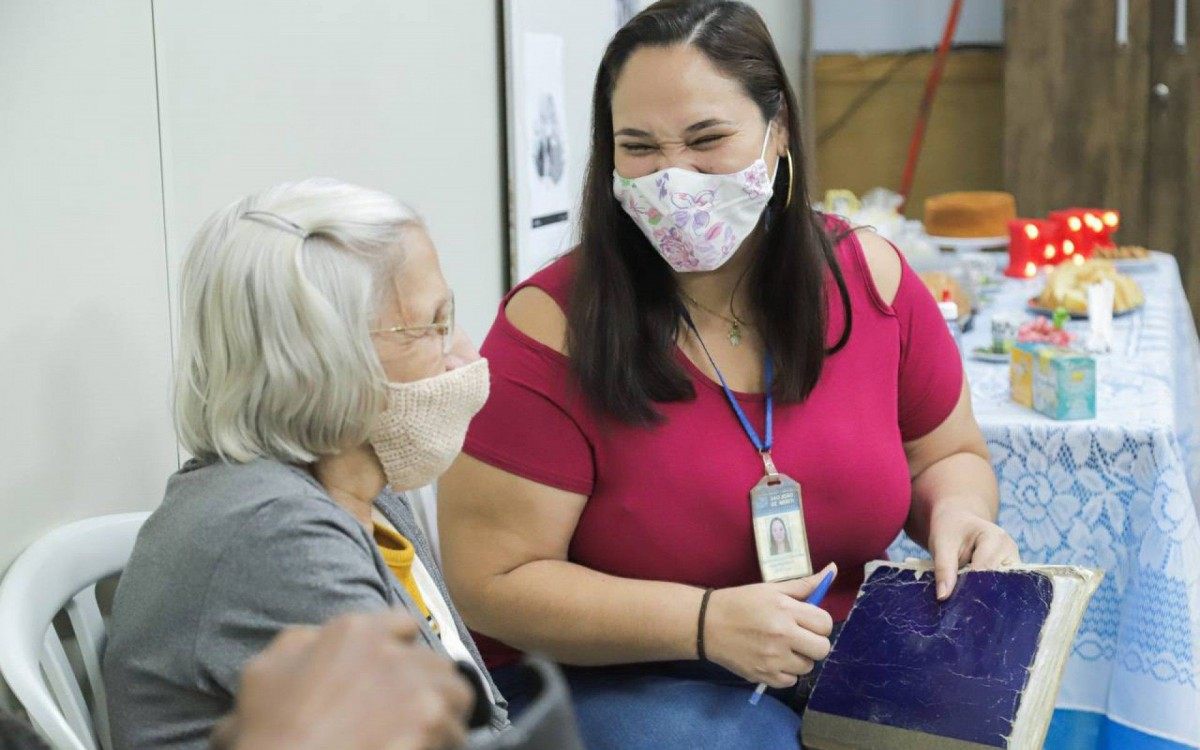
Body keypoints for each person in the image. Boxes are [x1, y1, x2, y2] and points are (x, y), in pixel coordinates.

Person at [438, 2, 1020, 748]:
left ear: (777, 133)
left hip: (826, 662)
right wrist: (704, 623)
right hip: (621, 677)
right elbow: (493, 582)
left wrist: (959, 514)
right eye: (639, 147)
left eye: (708, 139)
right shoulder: (553, 327)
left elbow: (946, 455)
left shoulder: (866, 278)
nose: (674, 177)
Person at [103, 178, 507, 749]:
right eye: (431, 327)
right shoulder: (276, 536)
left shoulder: (361, 480)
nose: (462, 356)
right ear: (323, 360)